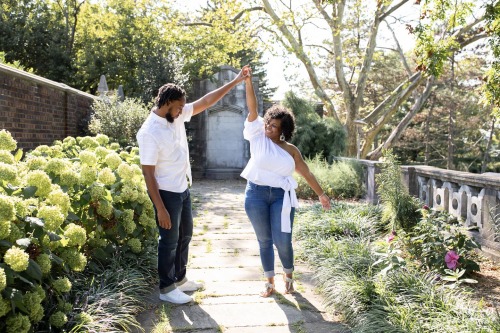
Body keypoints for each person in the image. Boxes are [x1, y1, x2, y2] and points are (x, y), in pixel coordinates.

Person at [137, 67, 249, 304]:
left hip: (182, 188)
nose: (181, 112)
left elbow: (206, 101)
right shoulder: (149, 132)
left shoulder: (174, 115)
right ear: (167, 103)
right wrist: (160, 208)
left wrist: (236, 81)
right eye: (178, 107)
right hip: (165, 193)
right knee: (168, 241)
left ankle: (180, 279)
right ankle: (166, 289)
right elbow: (148, 174)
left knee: (185, 235)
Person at [240, 67, 331, 297]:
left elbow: (307, 173)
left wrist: (321, 194)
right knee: (264, 240)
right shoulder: (257, 135)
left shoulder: (290, 151)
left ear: (283, 131)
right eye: (268, 123)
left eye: (273, 126)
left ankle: (288, 276)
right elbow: (252, 108)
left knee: (283, 241)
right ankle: (269, 283)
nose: (268, 127)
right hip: (256, 195)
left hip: (282, 196)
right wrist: (248, 81)